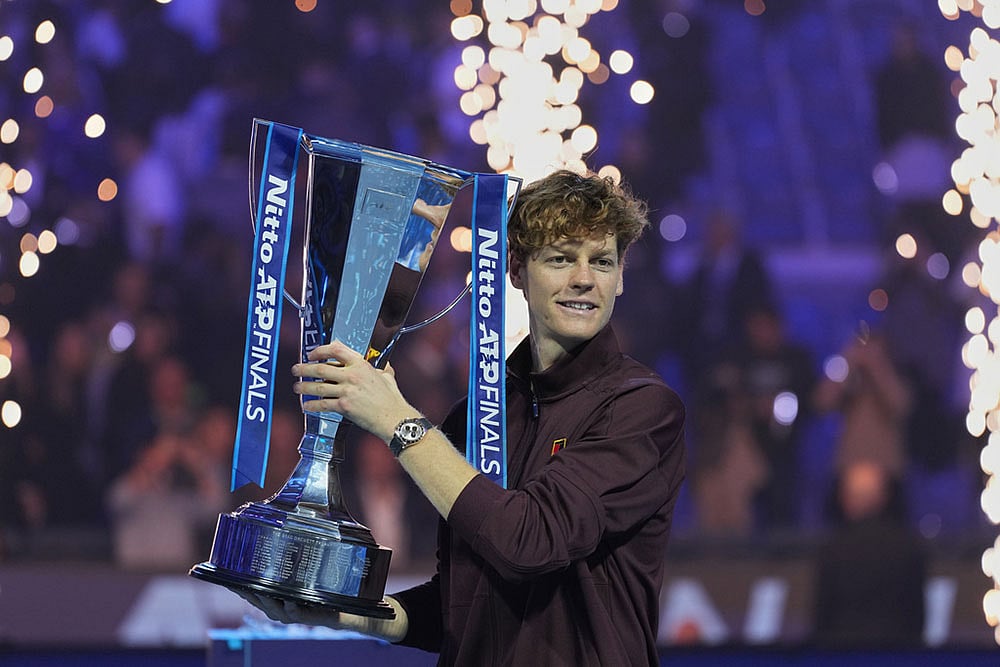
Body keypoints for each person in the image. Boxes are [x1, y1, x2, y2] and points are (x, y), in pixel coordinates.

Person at [239, 169, 687, 665]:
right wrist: (340, 613)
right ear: (516, 268)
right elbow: (459, 603)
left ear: (621, 275)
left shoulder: (642, 409)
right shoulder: (474, 418)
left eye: (601, 261)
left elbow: (531, 540)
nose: (583, 278)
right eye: (560, 259)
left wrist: (398, 421)